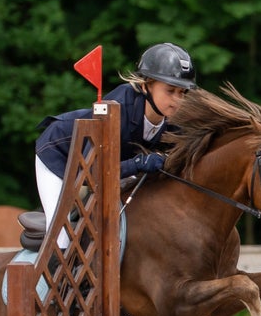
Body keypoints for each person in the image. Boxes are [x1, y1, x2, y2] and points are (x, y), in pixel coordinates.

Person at [34, 42, 197, 248]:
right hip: (60, 156)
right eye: (170, 90)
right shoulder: (118, 108)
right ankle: (52, 268)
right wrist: (138, 163)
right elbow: (90, 173)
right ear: (146, 85)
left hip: (109, 165)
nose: (177, 100)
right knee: (62, 233)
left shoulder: (173, 122)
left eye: (182, 93)